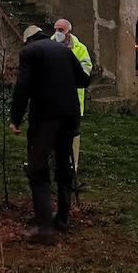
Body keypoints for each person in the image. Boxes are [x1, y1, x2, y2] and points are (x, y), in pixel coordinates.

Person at [11, 24, 91, 244]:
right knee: (64, 165)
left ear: (27, 41)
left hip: (46, 119)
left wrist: (15, 119)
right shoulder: (64, 50)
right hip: (71, 116)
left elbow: (22, 86)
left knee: (37, 169)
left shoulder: (29, 52)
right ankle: (63, 219)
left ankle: (44, 229)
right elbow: (84, 80)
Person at [52, 18, 92, 175]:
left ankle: (73, 164)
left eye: (60, 30)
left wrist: (72, 77)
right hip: (54, 99)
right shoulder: (50, 45)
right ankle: (57, 161)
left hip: (74, 99)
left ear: (68, 31)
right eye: (55, 29)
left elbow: (87, 68)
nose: (57, 33)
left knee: (74, 134)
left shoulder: (80, 48)